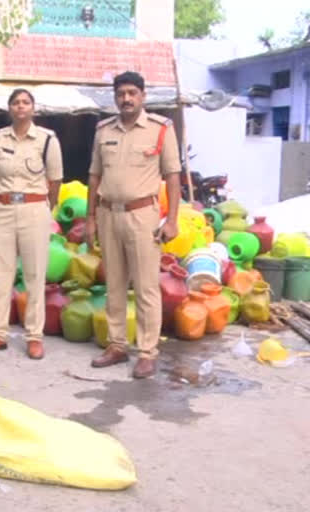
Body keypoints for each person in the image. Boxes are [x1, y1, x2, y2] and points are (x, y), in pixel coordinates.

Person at [86, 71, 181, 379]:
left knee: (145, 287)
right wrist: (90, 219)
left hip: (143, 217)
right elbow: (94, 177)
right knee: (113, 284)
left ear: (143, 96)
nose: (126, 98)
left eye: (131, 93)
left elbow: (173, 177)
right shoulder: (103, 130)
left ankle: (147, 352)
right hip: (107, 215)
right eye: (121, 93)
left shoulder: (161, 129)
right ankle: (116, 345)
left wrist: (173, 220)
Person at [0, 89, 63, 359]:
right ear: (9, 108)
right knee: (2, 274)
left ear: (33, 108)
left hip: (34, 209)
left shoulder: (47, 140)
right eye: (15, 102)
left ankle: (34, 336)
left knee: (35, 275)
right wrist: (5, 199)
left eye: (25, 102)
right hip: (3, 209)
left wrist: (41, 204)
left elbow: (55, 180)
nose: (20, 106)